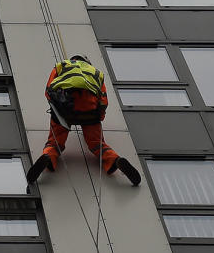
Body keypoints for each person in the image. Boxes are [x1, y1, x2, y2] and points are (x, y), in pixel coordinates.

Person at [27, 55, 141, 186]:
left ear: (74, 59)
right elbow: (103, 99)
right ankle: (115, 160)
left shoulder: (62, 66)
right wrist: (98, 118)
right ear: (87, 62)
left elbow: (49, 89)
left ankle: (48, 157)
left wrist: (55, 106)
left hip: (65, 107)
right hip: (89, 109)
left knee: (54, 143)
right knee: (97, 144)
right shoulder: (96, 72)